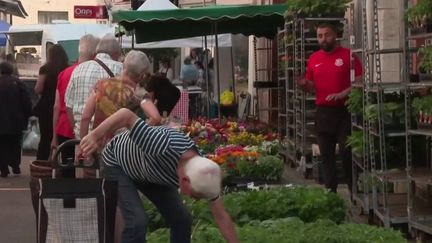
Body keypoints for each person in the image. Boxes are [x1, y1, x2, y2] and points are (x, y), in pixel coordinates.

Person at [79, 107, 239, 243]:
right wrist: (95, 135)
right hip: (118, 162)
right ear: (184, 180)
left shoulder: (207, 173)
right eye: (194, 195)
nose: (194, 199)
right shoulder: (162, 145)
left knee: (182, 219)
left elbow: (222, 217)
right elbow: (125, 114)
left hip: (151, 171)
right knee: (137, 221)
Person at [297, 22, 362, 194]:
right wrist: (304, 85)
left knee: (347, 154)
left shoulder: (349, 56)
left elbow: (360, 82)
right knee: (326, 156)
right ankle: (330, 193)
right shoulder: (314, 59)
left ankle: (353, 190)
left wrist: (343, 94)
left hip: (344, 112)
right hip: (323, 113)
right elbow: (311, 86)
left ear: (335, 35)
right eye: (319, 36)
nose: (323, 39)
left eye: (327, 35)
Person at [51, 34, 100, 177]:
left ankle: (68, 197)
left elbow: (57, 106)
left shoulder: (64, 73)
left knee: (66, 169)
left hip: (65, 126)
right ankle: (92, 196)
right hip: (90, 128)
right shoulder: (96, 72)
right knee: (91, 168)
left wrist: (53, 136)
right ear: (94, 53)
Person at [80, 50, 151, 140]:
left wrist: (84, 146)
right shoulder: (139, 95)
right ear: (142, 75)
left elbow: (85, 117)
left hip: (98, 145)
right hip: (124, 150)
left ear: (124, 65)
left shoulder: (102, 85)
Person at [65, 34, 123, 138]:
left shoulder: (78, 69)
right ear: (116, 53)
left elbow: (69, 106)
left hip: (82, 138)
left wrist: (77, 131)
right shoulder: (121, 69)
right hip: (111, 138)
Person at [33, 44, 69, 160]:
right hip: (63, 105)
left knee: (45, 137)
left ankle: (41, 163)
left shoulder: (45, 69)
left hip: (46, 106)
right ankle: (62, 165)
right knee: (63, 138)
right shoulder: (67, 69)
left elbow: (38, 88)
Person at [0, 62, 32, 177]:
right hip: (16, 120)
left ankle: (3, 169)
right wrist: (27, 116)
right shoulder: (18, 83)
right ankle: (15, 165)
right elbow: (27, 102)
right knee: (15, 143)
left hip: (1, 122)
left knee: (2, 144)